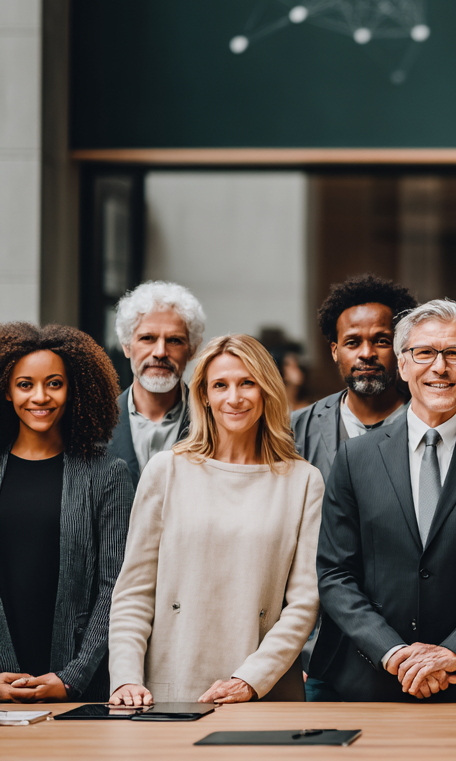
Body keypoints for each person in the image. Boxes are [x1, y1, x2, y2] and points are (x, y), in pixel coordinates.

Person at [312, 299, 456, 702]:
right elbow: (335, 575)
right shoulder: (355, 458)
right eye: (424, 353)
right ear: (402, 365)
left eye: (454, 353)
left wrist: (453, 653)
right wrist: (395, 653)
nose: (440, 367)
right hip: (370, 682)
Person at [109, 334, 323, 705]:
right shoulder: (167, 470)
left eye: (247, 384)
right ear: (204, 395)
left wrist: (251, 679)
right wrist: (125, 678)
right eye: (220, 385)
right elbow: (134, 592)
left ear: (267, 391)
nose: (234, 398)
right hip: (170, 682)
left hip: (263, 689)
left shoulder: (303, 481)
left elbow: (304, 602)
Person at [0, 323, 133, 703]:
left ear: (75, 389)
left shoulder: (107, 473)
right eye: (25, 384)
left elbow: (116, 586)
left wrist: (72, 677)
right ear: (7, 391)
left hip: (77, 686)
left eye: (54, 383)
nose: (40, 396)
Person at [291, 274, 418, 484]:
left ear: (401, 348)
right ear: (335, 351)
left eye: (382, 340)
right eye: (353, 342)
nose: (367, 353)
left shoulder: (428, 422)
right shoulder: (297, 430)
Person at [106, 281, 206, 489]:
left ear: (193, 350)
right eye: (147, 338)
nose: (160, 352)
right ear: (126, 346)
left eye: (174, 340)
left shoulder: (214, 424)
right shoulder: (95, 425)